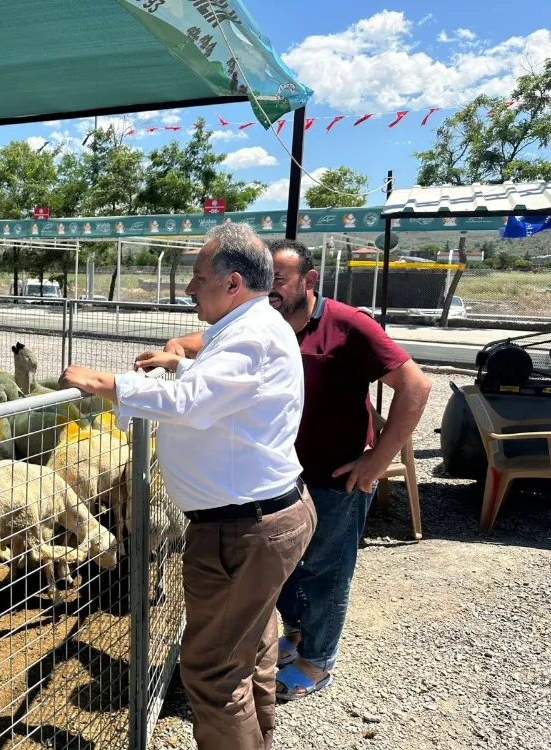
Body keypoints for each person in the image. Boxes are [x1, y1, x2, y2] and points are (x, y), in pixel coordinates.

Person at [59, 222, 315, 750]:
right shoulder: (255, 328)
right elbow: (221, 386)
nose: (189, 288)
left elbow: (192, 401)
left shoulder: (249, 336)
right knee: (252, 648)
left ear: (233, 283)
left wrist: (100, 384)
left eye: (198, 278)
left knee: (214, 674)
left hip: (240, 531)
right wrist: (182, 362)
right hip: (258, 517)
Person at [163, 238, 431, 702]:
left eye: (279, 280)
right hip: (277, 482)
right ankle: (295, 639)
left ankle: (317, 661)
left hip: (335, 478)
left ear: (309, 280)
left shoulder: (349, 325)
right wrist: (175, 353)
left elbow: (416, 386)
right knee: (286, 573)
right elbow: (191, 341)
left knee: (326, 573)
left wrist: (377, 461)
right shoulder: (255, 322)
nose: (269, 288)